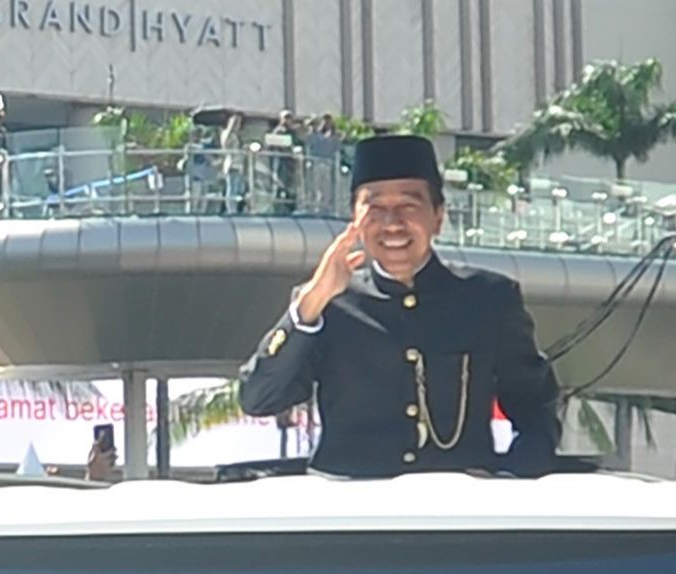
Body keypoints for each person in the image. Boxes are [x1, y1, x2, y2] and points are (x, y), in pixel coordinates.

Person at [235, 134, 560, 478]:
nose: (392, 223)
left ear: (438, 217)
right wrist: (312, 301)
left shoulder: (489, 298)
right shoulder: (328, 304)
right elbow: (259, 399)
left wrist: (510, 479)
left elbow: (537, 410)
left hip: (459, 516)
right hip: (352, 518)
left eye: (409, 206)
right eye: (374, 208)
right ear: (354, 219)